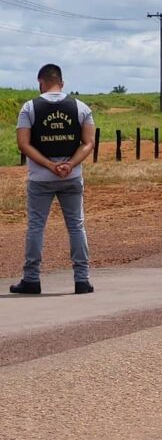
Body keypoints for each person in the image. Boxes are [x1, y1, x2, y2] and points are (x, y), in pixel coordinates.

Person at [10, 64, 96, 295]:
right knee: (76, 226)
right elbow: (88, 143)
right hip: (72, 176)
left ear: (41, 82)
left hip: (40, 178)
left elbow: (23, 143)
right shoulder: (81, 107)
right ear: (62, 82)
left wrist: (48, 165)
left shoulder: (29, 108)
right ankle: (82, 279)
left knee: (36, 226)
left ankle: (31, 278)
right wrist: (70, 164)